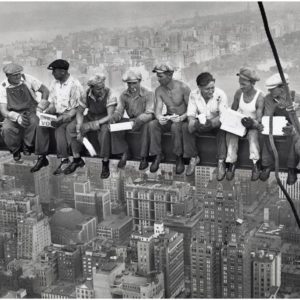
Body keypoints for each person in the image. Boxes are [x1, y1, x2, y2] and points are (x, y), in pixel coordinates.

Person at [30, 59, 84, 175]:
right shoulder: (54, 83)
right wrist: (46, 112)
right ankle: (42, 157)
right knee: (41, 125)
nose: (53, 73)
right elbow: (53, 103)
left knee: (59, 129)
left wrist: (63, 118)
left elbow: (77, 108)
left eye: (54, 71)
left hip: (70, 115)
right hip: (57, 114)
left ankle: (64, 159)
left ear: (63, 72)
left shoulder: (74, 85)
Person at [66, 74, 117, 179]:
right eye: (98, 89)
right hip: (91, 116)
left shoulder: (110, 93)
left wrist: (92, 125)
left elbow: (110, 116)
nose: (101, 90)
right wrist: (79, 125)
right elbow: (80, 112)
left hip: (104, 119)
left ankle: (105, 162)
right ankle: (77, 159)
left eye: (102, 87)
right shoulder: (86, 94)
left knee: (105, 132)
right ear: (91, 88)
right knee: (71, 127)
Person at [182, 72, 228, 179]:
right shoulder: (194, 94)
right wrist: (194, 123)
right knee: (186, 127)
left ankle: (221, 161)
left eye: (212, 88)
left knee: (222, 129)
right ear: (199, 88)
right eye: (207, 89)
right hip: (201, 123)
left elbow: (223, 116)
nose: (211, 91)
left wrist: (211, 123)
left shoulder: (220, 94)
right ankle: (193, 157)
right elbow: (191, 114)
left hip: (216, 123)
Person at [0, 63, 49, 161]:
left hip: (30, 110)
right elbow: (3, 110)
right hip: (13, 113)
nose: (18, 76)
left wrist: (41, 106)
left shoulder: (28, 79)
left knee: (34, 122)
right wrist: (16, 117)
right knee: (6, 128)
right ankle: (15, 150)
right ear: (8, 76)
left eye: (19, 73)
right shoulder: (3, 86)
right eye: (15, 75)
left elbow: (45, 90)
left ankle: (28, 145)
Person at [149, 63, 191, 174]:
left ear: (169, 75)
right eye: (157, 76)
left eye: (160, 76)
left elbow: (191, 110)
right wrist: (159, 117)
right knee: (153, 124)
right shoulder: (159, 90)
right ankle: (157, 155)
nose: (158, 79)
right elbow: (158, 109)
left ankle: (179, 157)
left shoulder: (183, 88)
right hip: (170, 117)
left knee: (175, 127)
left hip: (182, 119)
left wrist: (181, 118)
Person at [110, 69, 155, 170]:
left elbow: (150, 113)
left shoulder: (149, 94)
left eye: (134, 83)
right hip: (132, 121)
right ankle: (125, 151)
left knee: (146, 126)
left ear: (139, 81)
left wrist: (139, 120)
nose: (131, 86)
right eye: (129, 84)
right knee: (114, 127)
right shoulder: (124, 95)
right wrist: (114, 118)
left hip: (144, 120)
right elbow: (119, 111)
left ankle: (144, 157)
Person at [260, 73, 300, 185]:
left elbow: (298, 121)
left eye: (272, 89)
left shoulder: (296, 98)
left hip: (292, 127)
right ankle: (267, 165)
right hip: (276, 127)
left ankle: (291, 168)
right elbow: (268, 116)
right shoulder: (269, 99)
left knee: (295, 135)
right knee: (266, 133)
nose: (270, 92)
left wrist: (292, 124)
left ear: (282, 88)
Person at [225, 67, 264, 181]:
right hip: (240, 122)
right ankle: (231, 163)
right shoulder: (239, 93)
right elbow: (233, 109)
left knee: (252, 136)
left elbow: (259, 119)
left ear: (252, 83)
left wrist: (252, 123)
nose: (241, 87)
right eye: (240, 84)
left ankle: (255, 163)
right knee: (231, 134)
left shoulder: (259, 97)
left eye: (244, 84)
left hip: (252, 124)